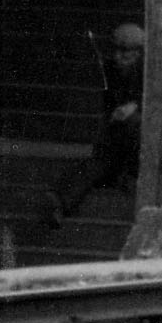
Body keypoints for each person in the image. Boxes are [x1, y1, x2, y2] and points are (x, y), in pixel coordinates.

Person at [47, 22, 146, 224]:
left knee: (134, 124)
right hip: (116, 145)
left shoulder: (148, 75)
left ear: (139, 53)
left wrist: (135, 106)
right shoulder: (111, 73)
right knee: (92, 167)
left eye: (126, 52)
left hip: (141, 152)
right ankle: (58, 203)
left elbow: (158, 103)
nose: (119, 56)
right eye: (116, 50)